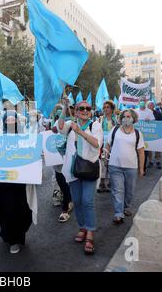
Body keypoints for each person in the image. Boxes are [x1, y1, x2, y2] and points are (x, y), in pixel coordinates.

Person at [55, 100, 103, 255]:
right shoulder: (70, 124)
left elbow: (97, 144)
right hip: (73, 169)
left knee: (87, 201)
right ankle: (82, 227)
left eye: (87, 108)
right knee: (77, 201)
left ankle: (90, 232)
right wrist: (64, 108)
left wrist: (80, 132)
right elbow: (59, 127)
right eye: (80, 108)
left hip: (89, 169)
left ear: (91, 111)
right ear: (75, 111)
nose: (84, 110)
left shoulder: (95, 125)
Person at [0, 110, 37, 254]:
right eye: (8, 120)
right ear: (4, 122)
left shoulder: (24, 137)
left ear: (17, 121)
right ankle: (10, 237)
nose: (11, 122)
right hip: (2, 181)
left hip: (19, 182)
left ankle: (17, 238)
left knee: (20, 210)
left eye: (13, 119)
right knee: (3, 209)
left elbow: (30, 154)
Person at [106, 109, 145, 224]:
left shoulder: (138, 134)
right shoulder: (115, 130)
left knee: (130, 191)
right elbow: (108, 145)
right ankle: (118, 213)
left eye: (128, 116)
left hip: (131, 167)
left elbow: (141, 152)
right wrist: (104, 156)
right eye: (124, 116)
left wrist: (141, 168)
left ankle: (127, 207)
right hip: (115, 165)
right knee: (117, 190)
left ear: (133, 119)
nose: (126, 118)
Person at [97, 100, 117, 193]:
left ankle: (109, 182)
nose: (106, 109)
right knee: (102, 162)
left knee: (111, 162)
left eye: (108, 107)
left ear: (112, 109)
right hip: (103, 143)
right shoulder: (100, 119)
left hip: (113, 143)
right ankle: (101, 183)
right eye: (104, 107)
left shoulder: (116, 119)